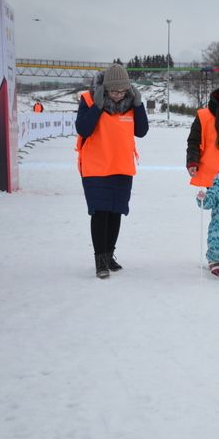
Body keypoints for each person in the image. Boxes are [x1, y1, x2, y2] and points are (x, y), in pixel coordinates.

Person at [75, 63, 148, 279]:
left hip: (121, 166)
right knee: (100, 211)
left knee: (116, 211)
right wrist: (97, 106)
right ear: (105, 88)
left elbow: (141, 131)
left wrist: (138, 105)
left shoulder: (130, 103)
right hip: (96, 167)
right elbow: (83, 129)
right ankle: (99, 260)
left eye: (122, 91)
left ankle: (109, 255)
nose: (117, 96)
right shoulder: (89, 100)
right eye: (113, 91)